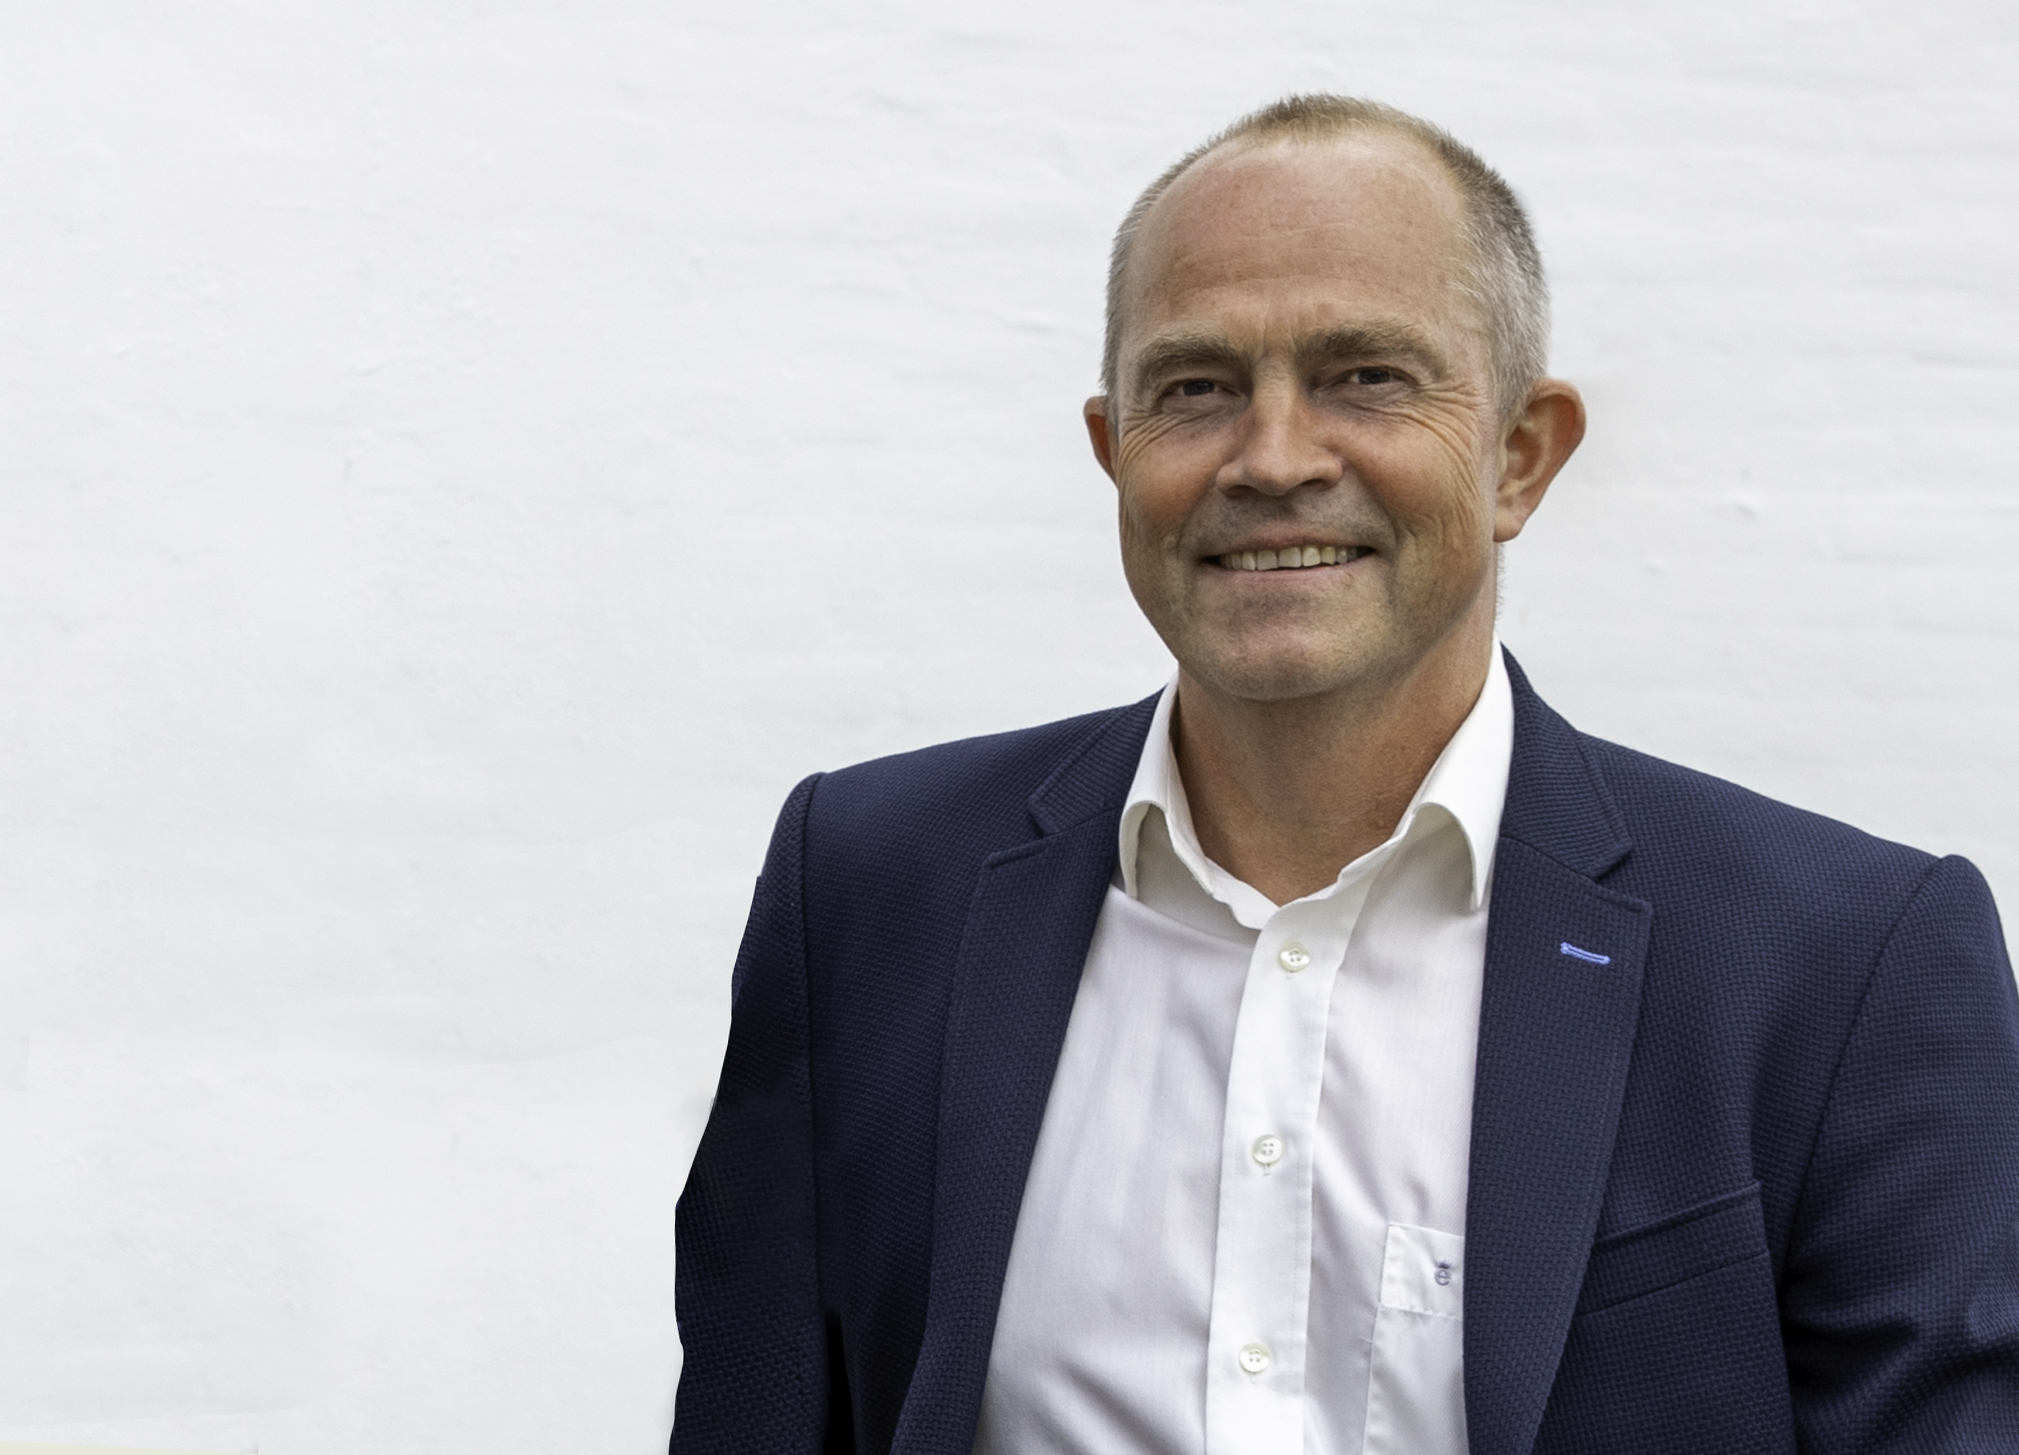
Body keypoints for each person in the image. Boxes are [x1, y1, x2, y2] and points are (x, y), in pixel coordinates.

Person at [670, 95, 2019, 1454]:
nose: (1272, 459)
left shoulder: (1845, 965)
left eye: (1366, 377)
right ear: (1114, 451)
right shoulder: (867, 891)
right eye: (1195, 388)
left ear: (1521, 455)